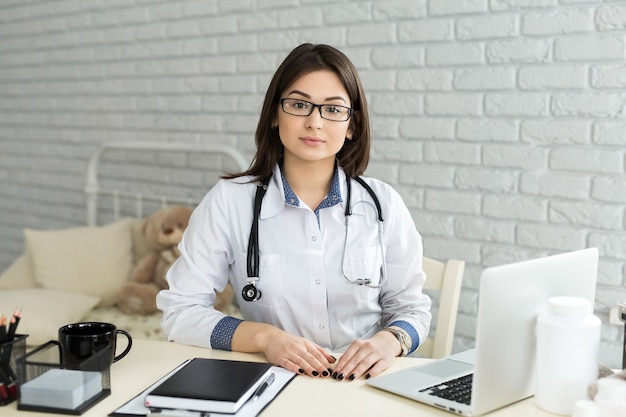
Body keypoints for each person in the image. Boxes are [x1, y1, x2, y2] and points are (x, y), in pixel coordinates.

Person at [157, 43, 431, 381]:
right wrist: (264, 336)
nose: (315, 122)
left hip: (365, 385)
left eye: (333, 109)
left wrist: (390, 342)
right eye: (299, 105)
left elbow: (413, 309)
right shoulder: (229, 202)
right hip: (273, 382)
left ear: (351, 125)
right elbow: (180, 312)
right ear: (274, 114)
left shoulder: (384, 204)